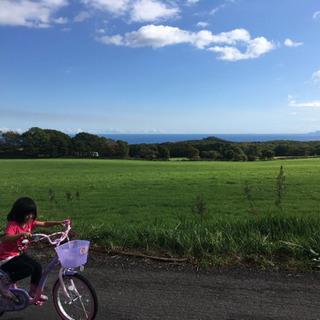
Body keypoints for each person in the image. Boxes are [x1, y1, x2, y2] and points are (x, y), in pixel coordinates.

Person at [0, 197, 65, 301]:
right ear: (19, 213)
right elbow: (6, 238)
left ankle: (34, 291)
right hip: (7, 258)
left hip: (19, 255)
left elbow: (44, 224)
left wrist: (58, 223)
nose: (31, 216)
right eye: (27, 214)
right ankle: (4, 282)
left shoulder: (29, 223)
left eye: (32, 213)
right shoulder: (13, 225)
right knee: (28, 269)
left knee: (37, 266)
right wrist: (21, 234)